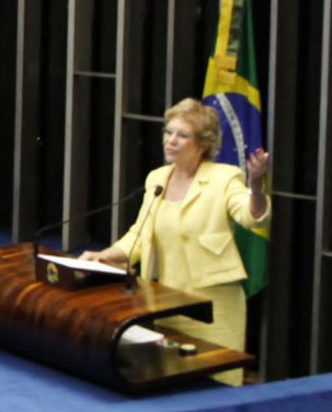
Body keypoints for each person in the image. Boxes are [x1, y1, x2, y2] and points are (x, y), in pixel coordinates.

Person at [79, 98, 272, 359]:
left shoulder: (224, 177)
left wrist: (256, 188)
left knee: (215, 374)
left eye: (182, 135)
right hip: (166, 302)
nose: (171, 140)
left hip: (213, 307)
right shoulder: (157, 178)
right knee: (173, 373)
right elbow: (139, 234)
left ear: (203, 143)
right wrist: (104, 256)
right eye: (168, 132)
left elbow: (254, 217)